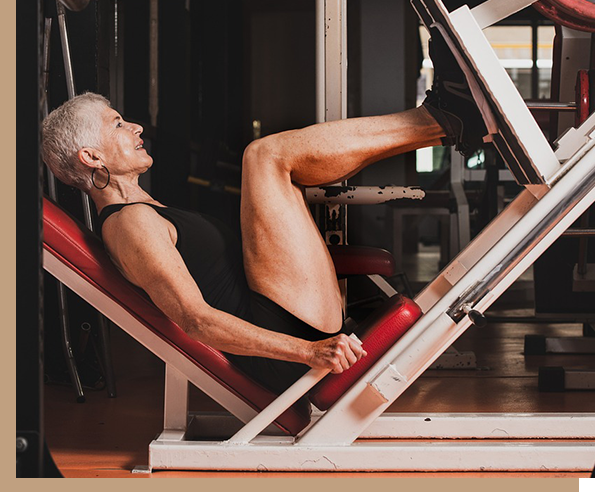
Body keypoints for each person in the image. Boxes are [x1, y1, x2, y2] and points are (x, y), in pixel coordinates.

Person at [41, 29, 486, 394]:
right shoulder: (130, 224)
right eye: (118, 124)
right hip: (289, 336)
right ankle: (444, 121)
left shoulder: (141, 209)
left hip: (287, 313)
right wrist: (308, 352)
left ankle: (447, 123)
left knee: (274, 162)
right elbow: (195, 319)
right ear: (92, 158)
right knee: (265, 156)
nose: (136, 126)